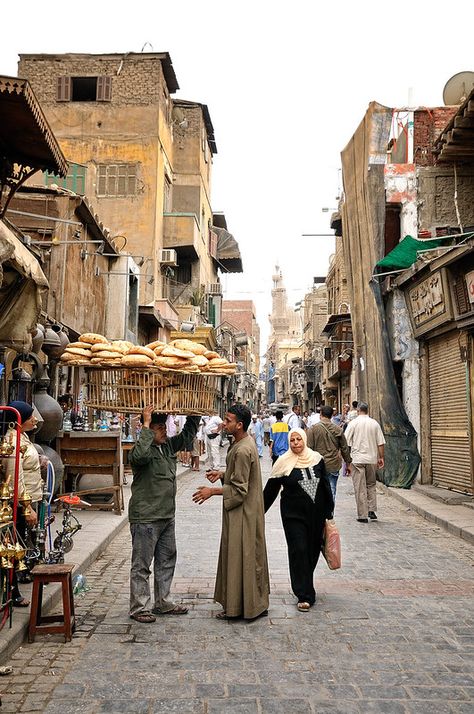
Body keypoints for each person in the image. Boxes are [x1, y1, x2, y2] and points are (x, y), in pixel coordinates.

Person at [192, 404, 270, 621]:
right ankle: (253, 603)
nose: (223, 424)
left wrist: (212, 491)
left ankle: (240, 607)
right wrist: (222, 474)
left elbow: (239, 488)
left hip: (243, 513)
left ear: (239, 425)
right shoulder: (243, 443)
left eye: (227, 421)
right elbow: (239, 475)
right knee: (246, 556)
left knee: (240, 557)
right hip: (246, 511)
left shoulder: (244, 448)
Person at [128, 405, 200, 623]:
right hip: (146, 517)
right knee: (142, 565)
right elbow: (139, 456)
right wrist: (147, 426)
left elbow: (187, 435)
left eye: (164, 427)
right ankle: (139, 608)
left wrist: (194, 415)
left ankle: (163, 602)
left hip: (167, 516)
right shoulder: (141, 451)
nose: (164, 432)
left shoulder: (168, 448)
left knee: (166, 560)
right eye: (159, 428)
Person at [263, 428, 333, 612]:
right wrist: (257, 512)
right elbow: (270, 492)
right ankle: (305, 594)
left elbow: (325, 485)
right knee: (299, 550)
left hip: (316, 515)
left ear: (304, 440)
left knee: (311, 551)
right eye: (292, 440)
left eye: (298, 439)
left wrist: (329, 512)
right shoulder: (282, 463)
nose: (295, 443)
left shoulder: (317, 459)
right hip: (293, 515)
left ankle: (305, 582)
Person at [5, 401, 44, 606]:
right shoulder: (11, 441)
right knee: (14, 546)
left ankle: (15, 586)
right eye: (31, 417)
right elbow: (15, 476)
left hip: (28, 499)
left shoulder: (23, 437)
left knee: (21, 544)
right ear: (19, 420)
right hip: (18, 504)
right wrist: (26, 506)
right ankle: (12, 592)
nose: (35, 419)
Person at [344, 402, 385, 523]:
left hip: (357, 459)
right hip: (371, 458)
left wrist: (347, 461)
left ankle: (362, 515)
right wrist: (381, 457)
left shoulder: (353, 423)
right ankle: (371, 510)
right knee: (371, 484)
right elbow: (380, 443)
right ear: (368, 410)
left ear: (358, 411)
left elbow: (346, 442)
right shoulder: (374, 423)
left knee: (359, 486)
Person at [307, 405, 352, 500]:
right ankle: (330, 513)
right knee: (332, 491)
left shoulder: (313, 429)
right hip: (333, 464)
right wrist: (348, 464)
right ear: (332, 415)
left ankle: (321, 513)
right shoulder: (338, 429)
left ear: (321, 414)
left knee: (318, 492)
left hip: (317, 465)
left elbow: (309, 449)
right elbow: (344, 448)